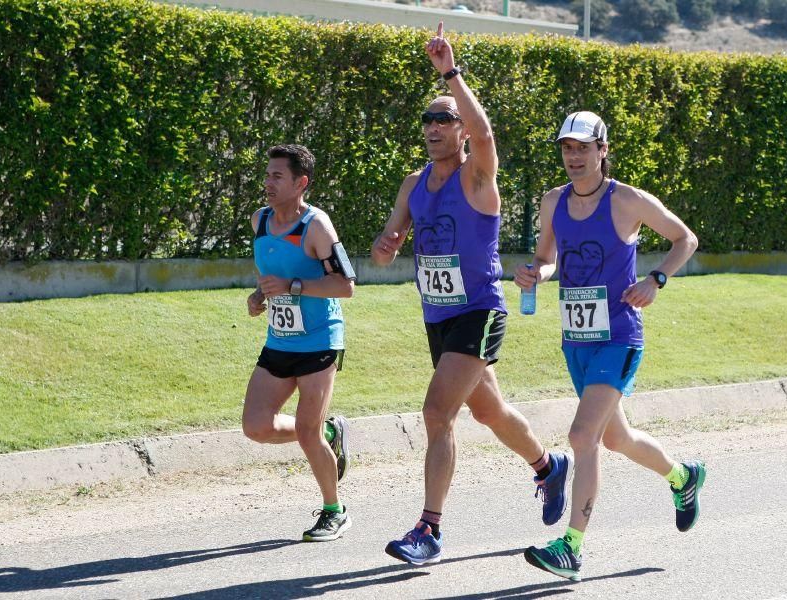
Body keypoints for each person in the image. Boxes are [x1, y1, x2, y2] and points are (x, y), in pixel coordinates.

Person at [372, 23, 572, 565]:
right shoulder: (413, 183)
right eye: (428, 119)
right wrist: (387, 245)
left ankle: (429, 530)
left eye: (444, 119)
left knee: (438, 413)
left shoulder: (478, 177)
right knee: (490, 412)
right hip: (437, 316)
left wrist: (450, 74)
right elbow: (386, 241)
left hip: (479, 311)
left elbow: (486, 137)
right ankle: (549, 467)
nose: (433, 126)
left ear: (461, 130)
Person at [514, 111, 705, 581]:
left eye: (583, 147)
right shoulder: (553, 201)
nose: (573, 156)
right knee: (616, 438)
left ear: (603, 150)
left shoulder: (627, 201)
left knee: (583, 437)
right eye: (566, 148)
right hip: (576, 339)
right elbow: (546, 258)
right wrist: (534, 273)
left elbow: (685, 238)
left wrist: (656, 279)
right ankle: (684, 477)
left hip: (619, 336)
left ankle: (572, 547)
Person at [243, 144, 357, 542]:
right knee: (255, 426)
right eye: (268, 175)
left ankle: (334, 510)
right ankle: (329, 434)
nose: (268, 183)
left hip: (320, 340)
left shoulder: (316, 226)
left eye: (277, 176)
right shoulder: (259, 221)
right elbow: (268, 277)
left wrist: (294, 286)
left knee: (306, 432)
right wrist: (260, 298)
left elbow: (345, 286)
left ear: (300, 183)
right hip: (280, 340)